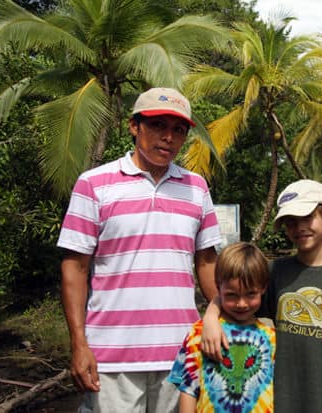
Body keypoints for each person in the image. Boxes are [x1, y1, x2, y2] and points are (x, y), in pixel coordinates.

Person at [57, 87, 221, 413]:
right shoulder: (94, 184)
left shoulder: (196, 188)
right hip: (111, 357)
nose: (168, 138)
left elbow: (207, 262)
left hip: (182, 352)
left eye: (178, 130)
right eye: (158, 125)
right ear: (135, 127)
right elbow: (74, 269)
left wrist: (225, 317)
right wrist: (79, 344)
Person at [202, 179, 322, 413]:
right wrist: (210, 317)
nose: (299, 227)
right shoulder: (276, 272)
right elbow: (234, 297)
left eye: (307, 217)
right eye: (291, 222)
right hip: (279, 399)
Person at [167, 242, 276, 413]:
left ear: (263, 288)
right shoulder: (199, 333)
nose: (242, 303)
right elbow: (188, 389)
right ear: (218, 287)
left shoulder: (272, 339)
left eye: (250, 294)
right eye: (232, 295)